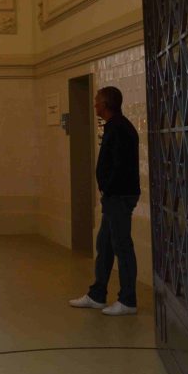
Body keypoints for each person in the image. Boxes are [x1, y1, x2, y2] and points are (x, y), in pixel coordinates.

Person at [70, 86, 141, 316]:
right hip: (114, 196)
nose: (95, 105)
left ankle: (128, 300)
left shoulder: (118, 128)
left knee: (121, 246)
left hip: (118, 196)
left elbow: (118, 165)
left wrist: (107, 188)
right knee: (105, 244)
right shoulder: (116, 126)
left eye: (97, 101)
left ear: (106, 104)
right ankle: (97, 294)